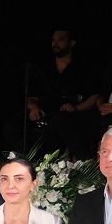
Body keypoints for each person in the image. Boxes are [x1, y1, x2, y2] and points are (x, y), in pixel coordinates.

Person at [24, 28, 98, 156]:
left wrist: (76, 108)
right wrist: (33, 107)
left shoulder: (83, 67)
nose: (55, 43)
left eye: (61, 39)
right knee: (12, 125)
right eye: (53, 40)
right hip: (44, 111)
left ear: (72, 43)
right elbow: (31, 97)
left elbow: (94, 96)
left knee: (58, 122)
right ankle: (23, 160)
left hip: (70, 113)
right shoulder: (44, 67)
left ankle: (82, 161)